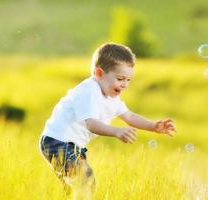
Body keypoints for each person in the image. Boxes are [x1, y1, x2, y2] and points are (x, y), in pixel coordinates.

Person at [38, 42, 177, 199]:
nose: (124, 84)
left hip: (73, 145)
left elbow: (129, 116)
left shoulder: (112, 98)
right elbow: (91, 124)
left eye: (128, 80)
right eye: (120, 79)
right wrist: (116, 131)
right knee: (85, 180)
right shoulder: (89, 90)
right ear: (99, 73)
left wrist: (153, 126)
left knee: (77, 187)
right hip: (56, 142)